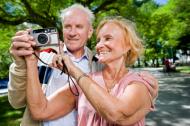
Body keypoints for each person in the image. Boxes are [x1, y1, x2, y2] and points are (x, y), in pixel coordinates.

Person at [8, 4, 158, 126]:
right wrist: (25, 63)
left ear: (89, 31)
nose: (72, 32)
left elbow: (118, 113)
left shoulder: (98, 66)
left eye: (79, 26)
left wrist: (74, 71)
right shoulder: (43, 58)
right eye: (67, 26)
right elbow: (26, 105)